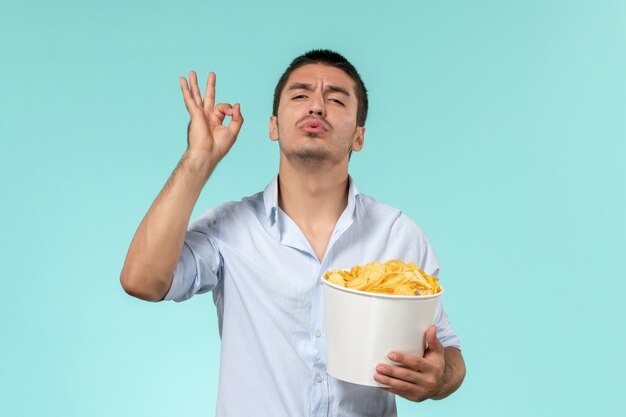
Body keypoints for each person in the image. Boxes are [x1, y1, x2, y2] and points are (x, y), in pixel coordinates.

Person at [120, 49, 466, 416]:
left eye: (335, 99)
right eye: (301, 95)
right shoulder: (229, 228)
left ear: (359, 137)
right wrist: (199, 157)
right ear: (273, 126)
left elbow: (447, 351)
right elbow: (142, 281)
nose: (316, 107)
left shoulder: (399, 235)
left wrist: (439, 375)